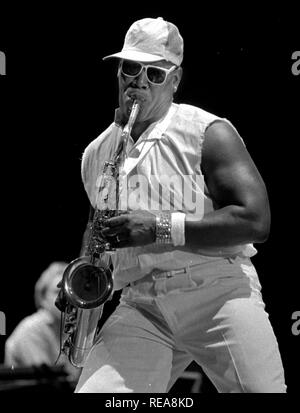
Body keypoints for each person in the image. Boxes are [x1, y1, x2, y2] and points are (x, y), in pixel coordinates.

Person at [70, 17, 286, 392]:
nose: (139, 80)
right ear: (119, 70)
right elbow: (99, 229)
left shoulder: (207, 133)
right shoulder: (95, 153)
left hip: (217, 289)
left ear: (175, 80)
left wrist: (159, 227)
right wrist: (84, 273)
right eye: (131, 67)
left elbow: (256, 221)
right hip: (142, 302)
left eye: (154, 72)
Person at [5, 262, 80, 384]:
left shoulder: (69, 328)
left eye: (71, 293)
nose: (66, 299)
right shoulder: (31, 329)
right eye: (58, 292)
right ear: (43, 297)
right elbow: (49, 382)